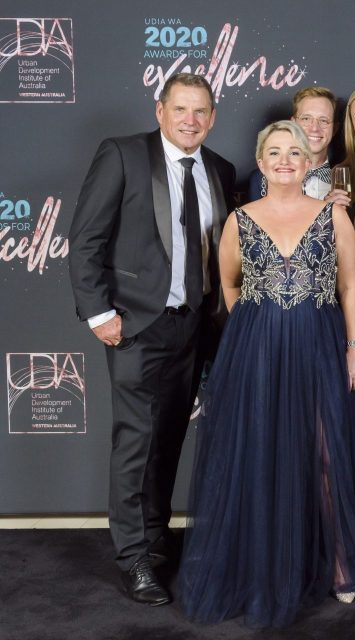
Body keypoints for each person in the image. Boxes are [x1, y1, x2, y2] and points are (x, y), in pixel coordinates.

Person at [178, 121, 355, 626]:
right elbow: (229, 285)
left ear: (308, 163)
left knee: (326, 451)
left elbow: (350, 288)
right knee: (261, 453)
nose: (285, 160)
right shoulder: (239, 220)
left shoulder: (333, 215)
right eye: (274, 152)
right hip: (257, 348)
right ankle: (263, 569)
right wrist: (254, 334)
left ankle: (340, 563)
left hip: (320, 343)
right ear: (261, 163)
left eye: (294, 152)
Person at [68, 72, 235, 606]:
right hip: (137, 323)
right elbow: (86, 239)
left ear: (213, 117)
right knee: (136, 442)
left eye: (200, 110)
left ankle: (156, 541)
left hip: (194, 325)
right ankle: (134, 557)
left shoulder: (219, 169)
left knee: (168, 439)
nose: (191, 119)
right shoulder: (122, 155)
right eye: (180, 109)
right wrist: (99, 314)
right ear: (159, 110)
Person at [245, 86, 346, 205]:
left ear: (335, 128)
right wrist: (324, 211)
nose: (314, 128)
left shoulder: (346, 180)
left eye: (324, 120)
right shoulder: (261, 178)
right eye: (306, 119)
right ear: (293, 123)